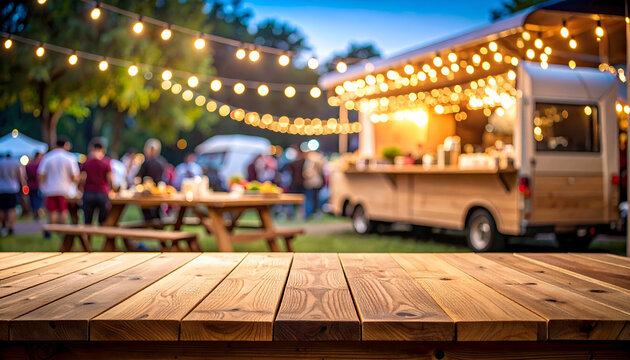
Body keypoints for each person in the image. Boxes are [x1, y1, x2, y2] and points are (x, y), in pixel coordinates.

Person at [38, 137, 80, 227]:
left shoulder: (47, 157)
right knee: (63, 211)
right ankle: (62, 230)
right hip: (65, 189)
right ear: (66, 145)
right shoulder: (70, 157)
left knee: (52, 212)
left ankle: (52, 231)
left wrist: (43, 186)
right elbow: (75, 176)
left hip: (50, 189)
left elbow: (41, 175)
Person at [81, 138, 112, 224]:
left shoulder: (86, 162)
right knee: (103, 220)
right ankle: (103, 235)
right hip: (102, 193)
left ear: (92, 148)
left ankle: (87, 237)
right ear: (103, 149)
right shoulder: (106, 162)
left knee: (88, 220)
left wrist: (79, 187)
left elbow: (82, 178)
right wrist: (112, 188)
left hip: (88, 193)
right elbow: (110, 179)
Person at [136, 139, 166, 220]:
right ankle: (156, 225)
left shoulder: (147, 162)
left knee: (147, 212)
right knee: (157, 212)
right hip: (158, 191)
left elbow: (139, 176)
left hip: (148, 191)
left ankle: (149, 223)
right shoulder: (161, 161)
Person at [0, 154, 25, 236]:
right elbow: (21, 176)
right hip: (13, 188)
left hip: (1, 188)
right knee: (12, 209)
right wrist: (23, 187)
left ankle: (3, 226)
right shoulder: (15, 162)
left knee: (2, 209)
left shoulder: (1, 162)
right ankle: (11, 227)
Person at [302, 151, 326, 218]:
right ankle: (314, 213)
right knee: (315, 199)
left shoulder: (309, 160)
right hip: (317, 182)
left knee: (309, 199)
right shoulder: (319, 160)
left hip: (310, 182)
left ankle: (307, 214)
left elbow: (305, 172)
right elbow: (322, 170)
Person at [25, 152, 44, 220]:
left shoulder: (29, 165)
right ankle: (37, 211)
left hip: (30, 185)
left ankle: (34, 211)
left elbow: (26, 175)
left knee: (32, 199)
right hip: (37, 185)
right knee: (37, 199)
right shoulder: (39, 165)